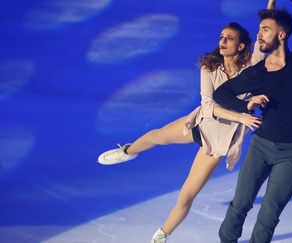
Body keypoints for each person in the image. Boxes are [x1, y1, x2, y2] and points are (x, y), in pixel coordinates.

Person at [97, 2, 275, 243]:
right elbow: (209, 105)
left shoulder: (250, 67)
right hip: (200, 123)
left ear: (241, 45)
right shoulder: (209, 67)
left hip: (218, 142)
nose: (222, 41)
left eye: (229, 38)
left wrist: (271, 4)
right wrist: (241, 115)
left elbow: (263, 32)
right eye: (221, 37)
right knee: (155, 135)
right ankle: (128, 151)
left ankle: (162, 235)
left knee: (186, 196)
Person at [212, 0, 292, 242]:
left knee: (269, 213)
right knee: (240, 204)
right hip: (261, 147)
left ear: (282, 34)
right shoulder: (257, 73)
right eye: (259, 30)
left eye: (265, 29)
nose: (259, 35)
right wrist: (246, 105)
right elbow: (221, 94)